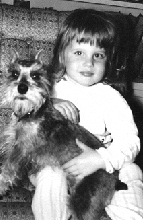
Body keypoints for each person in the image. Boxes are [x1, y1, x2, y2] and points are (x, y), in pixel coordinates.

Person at [31, 9, 143, 220]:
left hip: (101, 171)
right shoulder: (47, 88)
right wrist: (49, 104)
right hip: (58, 164)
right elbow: (23, 123)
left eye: (98, 55)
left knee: (132, 171)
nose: (88, 63)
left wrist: (101, 159)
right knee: (50, 173)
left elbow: (131, 142)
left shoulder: (110, 97)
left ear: (107, 60)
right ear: (62, 53)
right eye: (79, 52)